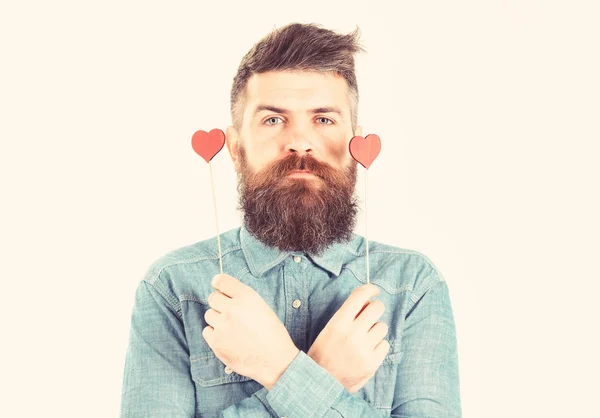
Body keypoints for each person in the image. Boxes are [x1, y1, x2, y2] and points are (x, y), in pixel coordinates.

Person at [120, 22, 462, 417]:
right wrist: (323, 379)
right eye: (273, 120)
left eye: (323, 120)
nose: (300, 141)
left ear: (356, 144)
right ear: (235, 149)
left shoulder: (412, 286)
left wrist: (279, 368)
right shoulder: (173, 289)